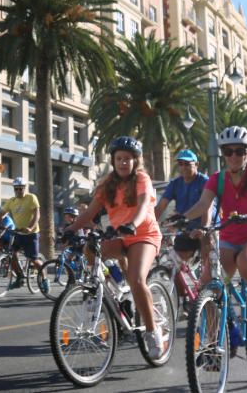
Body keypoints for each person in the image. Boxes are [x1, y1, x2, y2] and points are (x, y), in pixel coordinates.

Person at [66, 136, 165, 359]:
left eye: (127, 159)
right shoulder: (107, 185)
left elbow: (142, 208)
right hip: (120, 235)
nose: (123, 163)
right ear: (113, 160)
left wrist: (132, 224)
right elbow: (89, 213)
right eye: (119, 158)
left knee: (137, 279)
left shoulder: (142, 179)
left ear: (135, 161)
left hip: (144, 235)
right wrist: (71, 229)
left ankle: (152, 331)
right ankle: (96, 290)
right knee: (90, 248)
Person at [182, 125, 247, 330]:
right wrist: (181, 218)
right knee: (208, 284)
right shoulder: (217, 179)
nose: (233, 156)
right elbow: (203, 204)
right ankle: (213, 346)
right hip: (229, 237)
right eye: (228, 152)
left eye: (239, 151)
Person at [155, 148, 214, 283]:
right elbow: (160, 207)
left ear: (196, 165)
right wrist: (149, 224)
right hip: (185, 227)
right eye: (180, 164)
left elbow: (207, 207)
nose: (183, 167)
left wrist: (204, 228)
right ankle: (182, 300)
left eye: (187, 164)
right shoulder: (175, 184)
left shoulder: (204, 181)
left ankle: (209, 290)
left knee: (207, 256)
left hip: (206, 226)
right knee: (175, 263)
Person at [0, 177, 44, 291]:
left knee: (34, 259)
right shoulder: (12, 201)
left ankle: (44, 279)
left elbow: (37, 215)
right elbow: (2, 213)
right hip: (18, 233)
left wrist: (30, 227)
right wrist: (0, 221)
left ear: (24, 188)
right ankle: (19, 278)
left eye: (20, 189)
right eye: (16, 189)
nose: (18, 191)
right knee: (12, 256)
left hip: (31, 234)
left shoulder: (31, 197)